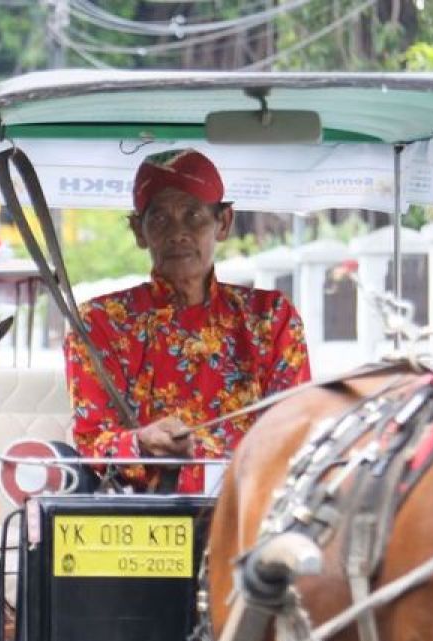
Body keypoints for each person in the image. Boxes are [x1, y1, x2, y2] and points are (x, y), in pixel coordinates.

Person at [64, 148, 311, 493]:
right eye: (160, 218)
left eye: (193, 215)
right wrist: (142, 442)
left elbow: (295, 428)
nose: (178, 233)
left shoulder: (270, 317)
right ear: (139, 230)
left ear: (222, 223)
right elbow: (92, 444)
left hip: (247, 507)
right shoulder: (100, 322)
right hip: (140, 516)